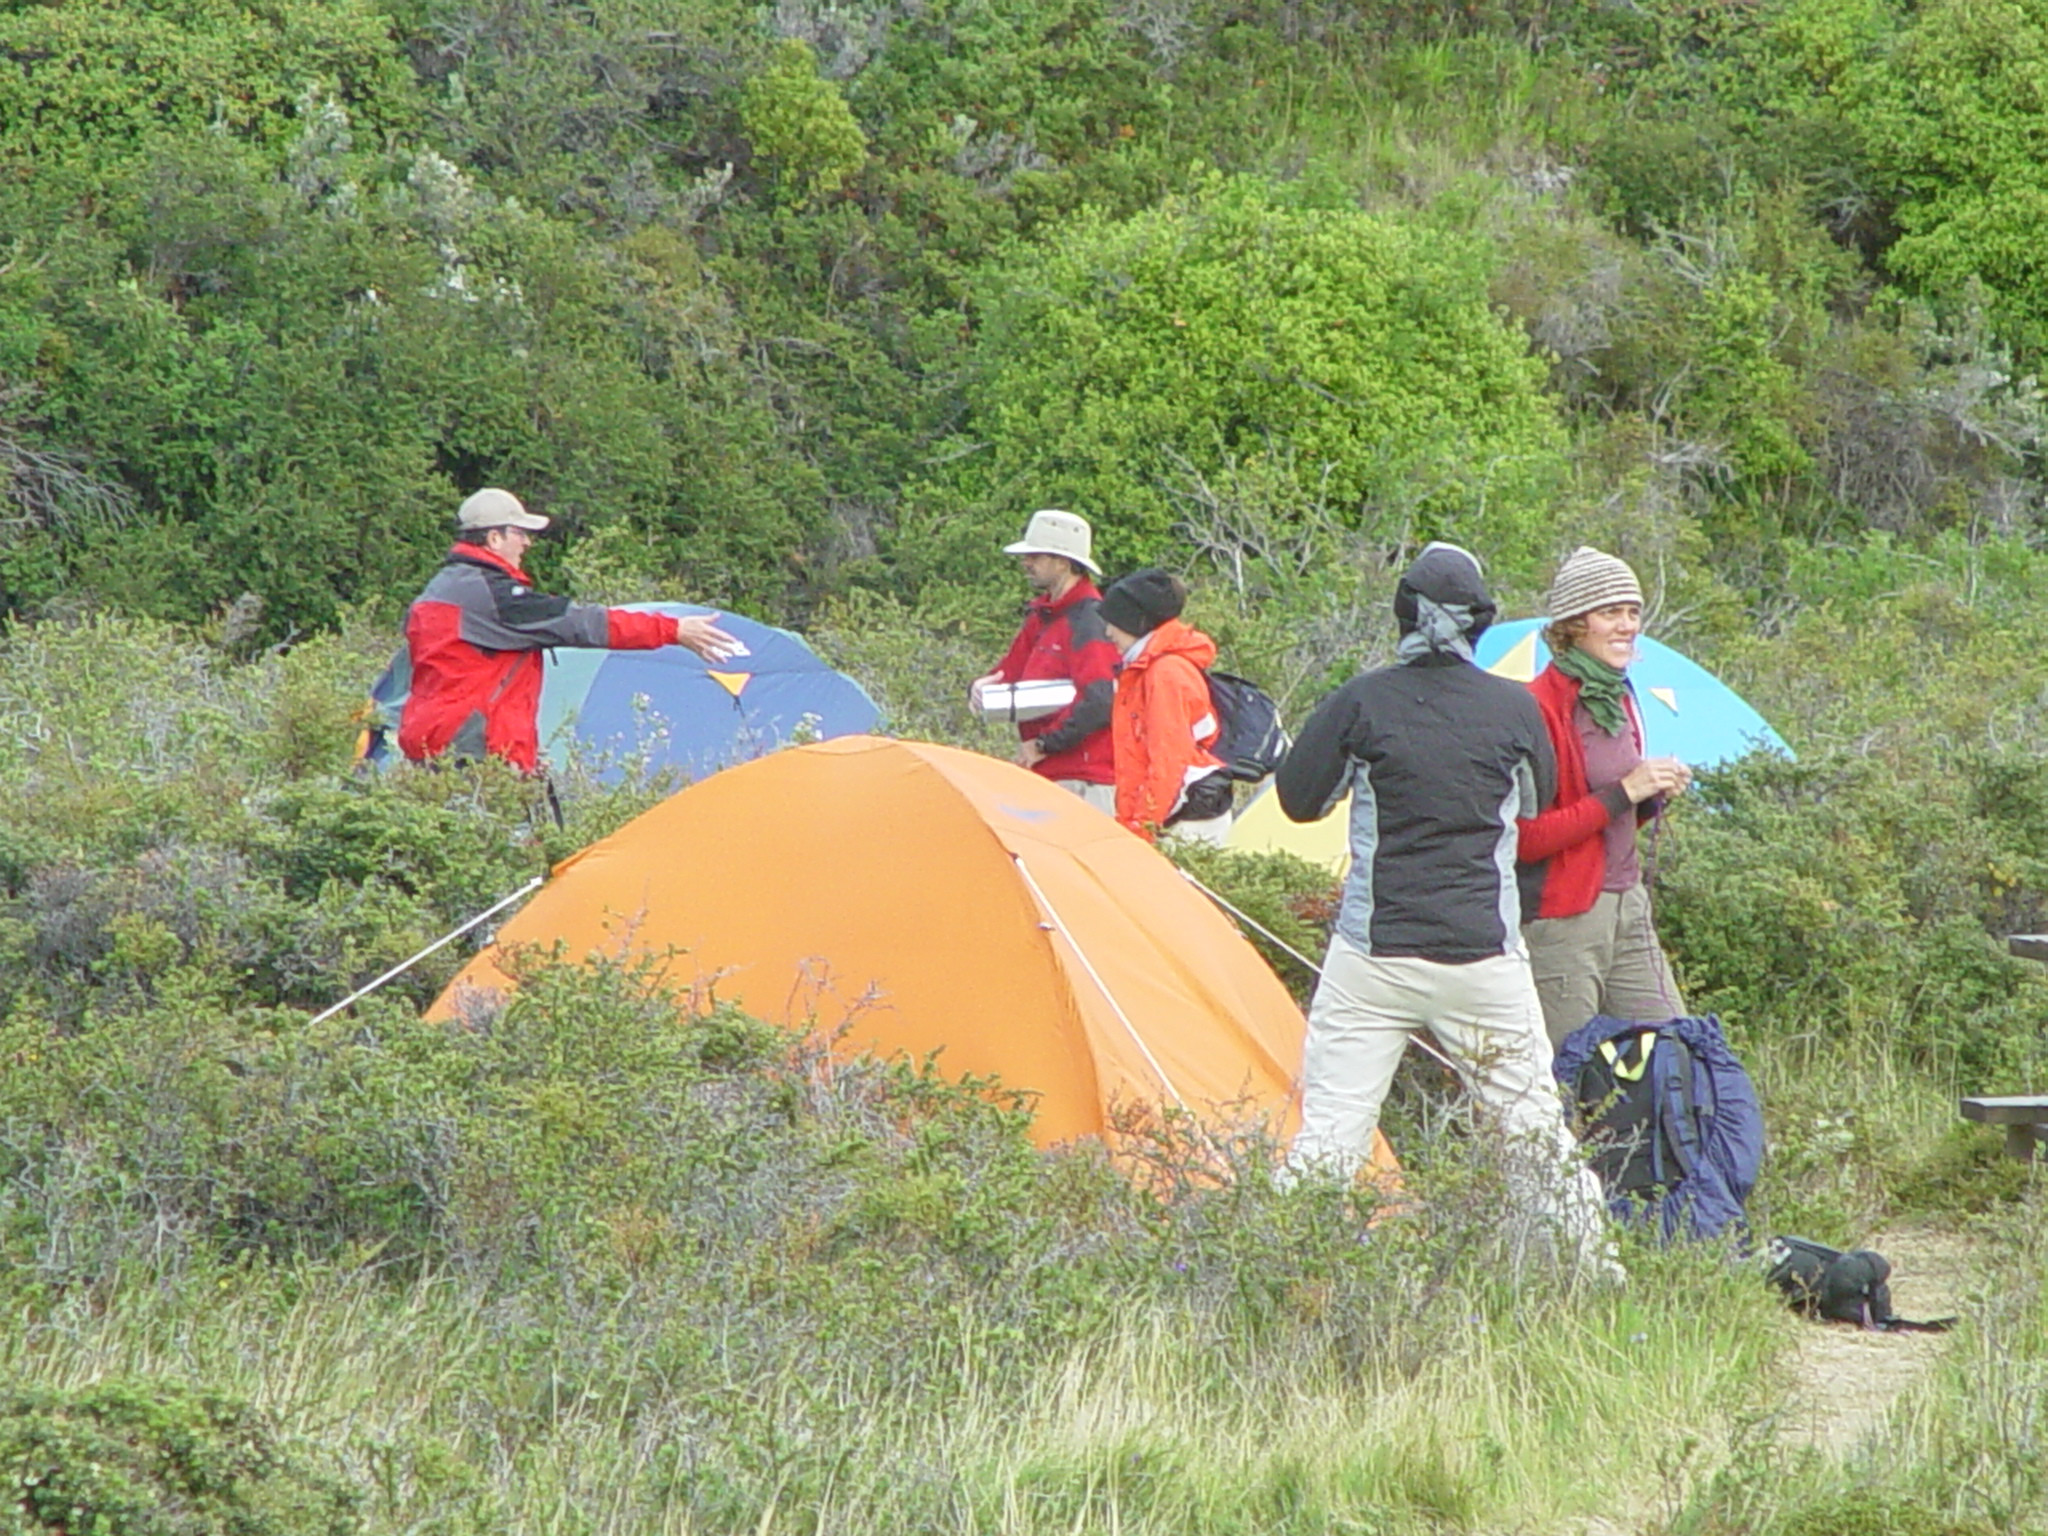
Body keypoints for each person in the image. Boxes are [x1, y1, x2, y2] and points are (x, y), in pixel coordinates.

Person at [1276, 542, 1613, 1274]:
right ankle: (1597, 1280)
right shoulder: (1514, 709)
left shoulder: (1360, 701)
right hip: (1483, 956)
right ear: (1483, 622)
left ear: (1401, 616)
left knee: (1331, 1134)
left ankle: (1279, 1281)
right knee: (1534, 1135)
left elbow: (1298, 801)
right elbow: (1530, 806)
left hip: (1374, 955)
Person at [398, 488, 738, 773]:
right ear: (494, 537)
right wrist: (673, 630)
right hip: (474, 749)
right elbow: (583, 623)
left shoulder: (439, 590)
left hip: (431, 740)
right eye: (521, 533)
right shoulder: (496, 597)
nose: (527, 543)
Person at [1517, 546, 1692, 1047]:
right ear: (1574, 623)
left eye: (1633, 612)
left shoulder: (1619, 696)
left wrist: (1651, 798)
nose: (1626, 625)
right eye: (1610, 612)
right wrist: (1625, 791)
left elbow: (1611, 814)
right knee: (1565, 1073)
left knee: (1675, 1052)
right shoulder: (1538, 707)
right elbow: (1527, 840)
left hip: (1627, 904)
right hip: (1564, 920)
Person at [969, 510, 1119, 813]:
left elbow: (1101, 700)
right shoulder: (1044, 614)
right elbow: (1007, 672)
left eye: (1035, 556)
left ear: (1062, 562)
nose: (1026, 563)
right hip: (1051, 774)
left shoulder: (1087, 619)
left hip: (1085, 780)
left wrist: (1043, 745)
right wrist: (977, 688)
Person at [1097, 568, 1233, 845]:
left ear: (1137, 622)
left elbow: (1168, 760)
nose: (1108, 632)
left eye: (1115, 622)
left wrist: (1142, 829)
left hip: (1182, 820)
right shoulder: (1150, 669)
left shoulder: (1164, 673)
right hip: (1176, 814)